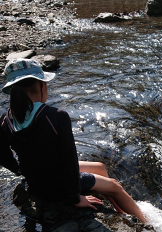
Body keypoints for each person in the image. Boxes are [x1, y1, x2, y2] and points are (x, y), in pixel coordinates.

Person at [0, 58, 147, 223]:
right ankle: (146, 224)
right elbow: (68, 160)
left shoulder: (6, 119)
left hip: (37, 180)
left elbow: (2, 154)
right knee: (115, 186)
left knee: (100, 167)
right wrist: (75, 198)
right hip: (57, 185)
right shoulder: (55, 116)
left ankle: (120, 212)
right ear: (42, 85)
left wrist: (20, 170)